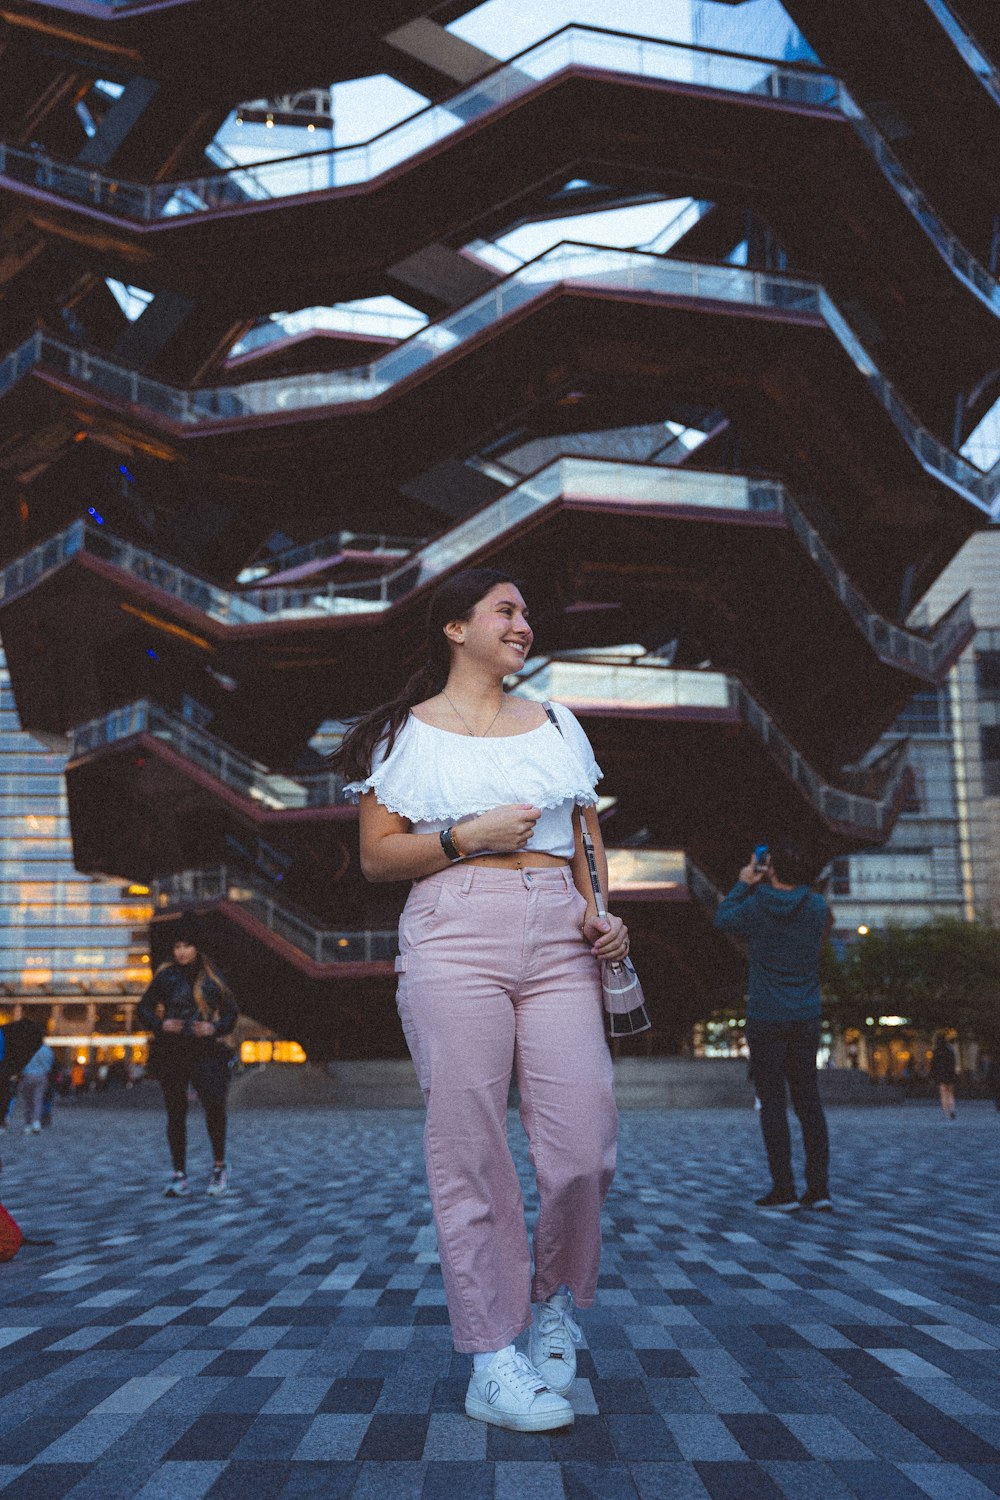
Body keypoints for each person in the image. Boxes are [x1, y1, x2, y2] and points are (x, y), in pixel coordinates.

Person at [333, 567, 624, 1434]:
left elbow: (587, 837)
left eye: (527, 611)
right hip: (454, 932)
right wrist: (465, 836)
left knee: (584, 1140)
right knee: (471, 1146)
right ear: (455, 629)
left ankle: (555, 1307)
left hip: (559, 932)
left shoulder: (558, 724)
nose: (523, 622)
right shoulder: (404, 734)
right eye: (507, 609)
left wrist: (604, 912)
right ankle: (492, 1356)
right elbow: (378, 857)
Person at [715, 840, 833, 1212]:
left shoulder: (757, 904)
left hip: (766, 1017)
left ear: (771, 869)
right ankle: (819, 1191)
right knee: (809, 1103)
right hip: (806, 1017)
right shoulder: (817, 907)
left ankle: (783, 1189)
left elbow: (723, 918)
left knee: (773, 1105)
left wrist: (745, 881)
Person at [136, 915, 238, 1197]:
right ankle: (179, 1175)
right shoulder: (165, 975)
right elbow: (142, 1009)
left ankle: (219, 1168)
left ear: (197, 948)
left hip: (206, 1052)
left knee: (214, 1109)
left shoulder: (213, 977)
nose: (181, 951)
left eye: (187, 946)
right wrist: (160, 1024)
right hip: (173, 1051)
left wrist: (213, 1027)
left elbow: (231, 1014)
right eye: (177, 946)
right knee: (175, 1113)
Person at [18, 1042, 54, 1134]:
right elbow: (49, 1065)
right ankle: (36, 1122)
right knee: (38, 1100)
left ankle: (28, 1123)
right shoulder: (46, 1049)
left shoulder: (24, 1049)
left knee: (27, 1101)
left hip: (26, 1076)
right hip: (41, 1076)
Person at [928, 1031, 958, 1120]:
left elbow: (933, 1065)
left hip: (941, 1075)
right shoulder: (950, 1050)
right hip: (949, 1075)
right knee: (950, 1093)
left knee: (943, 1093)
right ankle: (952, 1109)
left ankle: (947, 1112)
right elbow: (953, 1063)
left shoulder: (936, 1051)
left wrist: (932, 1076)